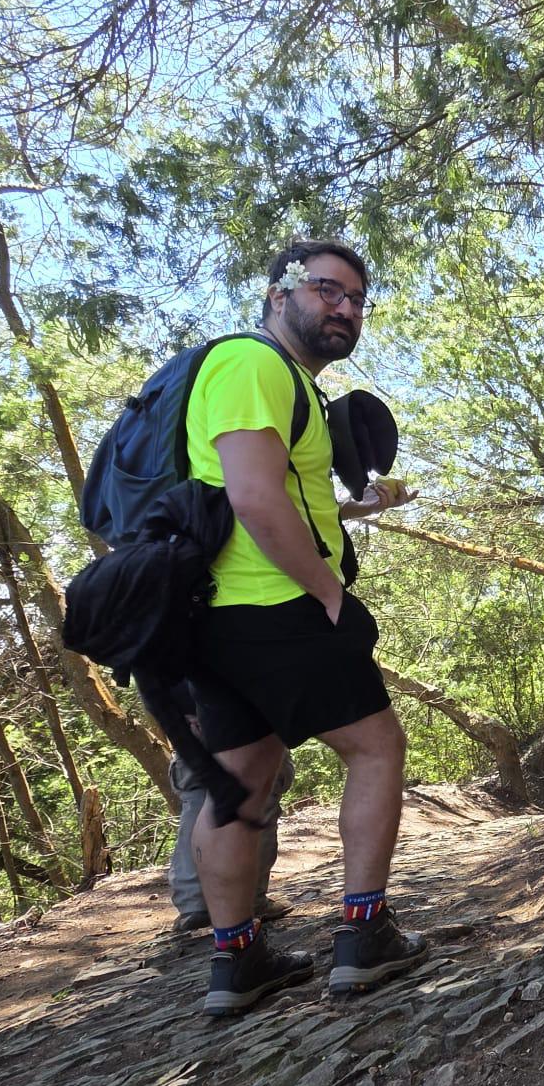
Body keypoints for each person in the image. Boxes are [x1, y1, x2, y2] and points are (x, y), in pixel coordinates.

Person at [184, 239, 425, 1015]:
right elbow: (255, 500)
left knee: (241, 783)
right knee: (378, 747)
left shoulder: (277, 382)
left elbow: (264, 490)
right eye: (328, 291)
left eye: (356, 299)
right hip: (278, 605)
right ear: (277, 291)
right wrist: (327, 593)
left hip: (221, 619)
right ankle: (363, 935)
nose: (345, 309)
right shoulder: (253, 365)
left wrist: (358, 508)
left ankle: (237, 961)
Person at [165, 679, 295, 937]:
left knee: (197, 801)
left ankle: (194, 905)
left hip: (189, 714)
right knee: (258, 798)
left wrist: (180, 714)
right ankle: (251, 899)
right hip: (243, 710)